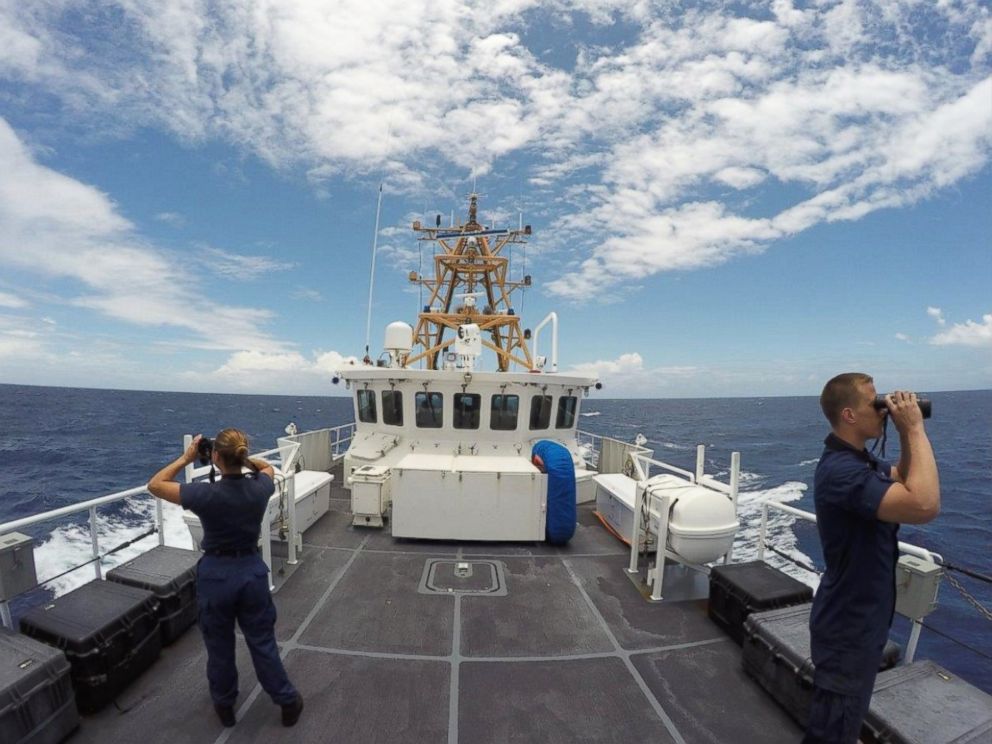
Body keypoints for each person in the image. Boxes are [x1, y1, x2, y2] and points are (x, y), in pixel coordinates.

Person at [803, 374, 939, 744]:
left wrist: (903, 431)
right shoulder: (842, 472)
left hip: (859, 620)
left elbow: (906, 477)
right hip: (848, 627)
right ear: (849, 414)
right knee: (833, 730)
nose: (883, 407)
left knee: (840, 722)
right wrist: (914, 429)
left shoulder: (858, 461)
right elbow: (924, 504)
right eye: (874, 402)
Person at [148, 428, 304, 729]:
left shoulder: (205, 494)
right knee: (263, 644)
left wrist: (187, 457)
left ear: (215, 457)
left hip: (216, 578)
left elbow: (155, 485)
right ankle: (287, 701)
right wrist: (240, 457)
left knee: (219, 648)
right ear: (242, 455)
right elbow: (267, 468)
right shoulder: (260, 488)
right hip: (251, 573)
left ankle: (225, 706)